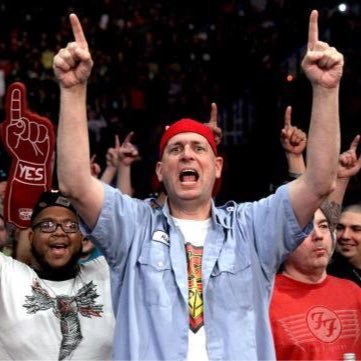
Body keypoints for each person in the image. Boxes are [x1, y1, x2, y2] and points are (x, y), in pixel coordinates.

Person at [53, 10, 343, 360]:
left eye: (198, 148)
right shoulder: (133, 228)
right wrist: (72, 90)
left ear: (217, 167)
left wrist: (326, 92)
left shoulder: (252, 229)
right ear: (160, 171)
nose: (187, 155)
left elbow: (320, 182)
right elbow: (73, 184)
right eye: (176, 149)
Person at [270, 108, 361, 359]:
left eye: (324, 227)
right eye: (307, 230)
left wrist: (341, 179)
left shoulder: (354, 293)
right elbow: (301, 208)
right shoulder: (264, 298)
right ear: (284, 239)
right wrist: (295, 160)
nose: (319, 235)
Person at [0, 190, 114, 360]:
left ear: (81, 236)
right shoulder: (7, 276)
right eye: (46, 225)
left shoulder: (106, 273)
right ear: (31, 236)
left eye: (70, 226)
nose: (59, 232)